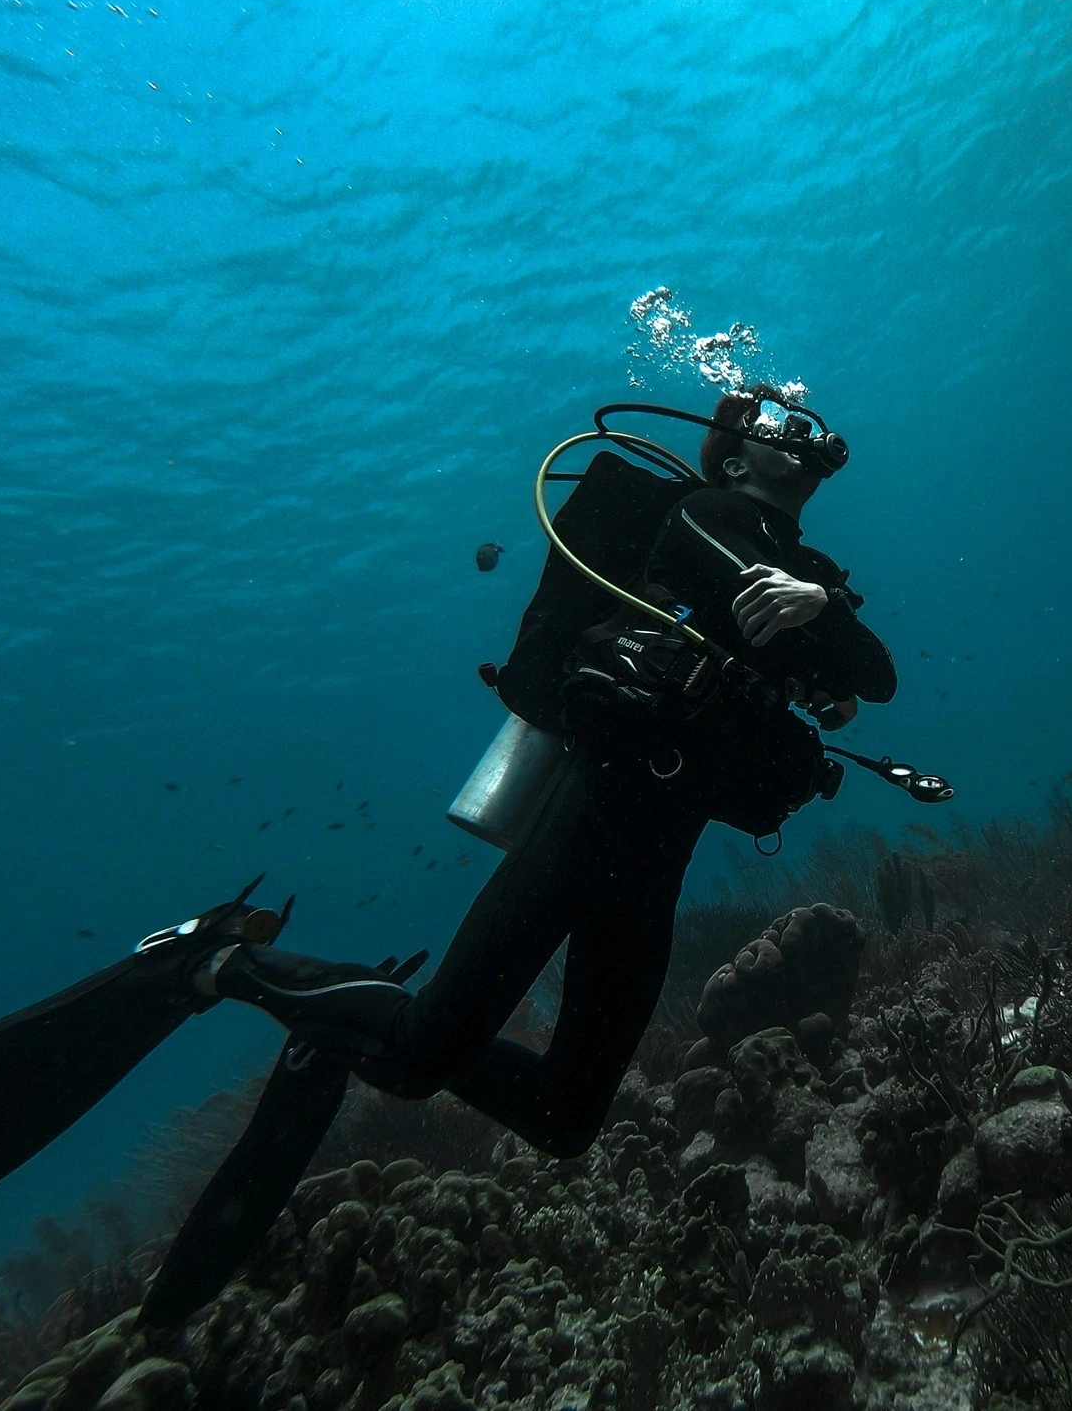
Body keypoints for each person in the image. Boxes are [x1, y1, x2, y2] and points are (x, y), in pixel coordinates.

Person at [201, 386, 896, 1152]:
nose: (797, 426)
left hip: (659, 855)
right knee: (418, 1055)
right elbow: (808, 628)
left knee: (567, 1119)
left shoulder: (806, 572)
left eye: (802, 420)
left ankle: (348, 1025)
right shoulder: (708, 512)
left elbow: (879, 678)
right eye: (774, 422)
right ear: (734, 461)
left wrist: (819, 603)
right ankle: (224, 961)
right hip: (592, 815)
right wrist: (819, 616)